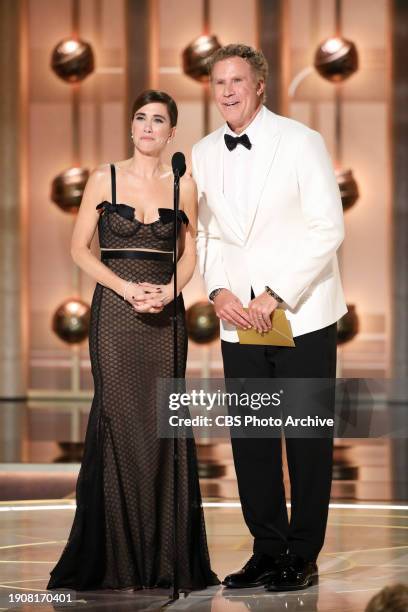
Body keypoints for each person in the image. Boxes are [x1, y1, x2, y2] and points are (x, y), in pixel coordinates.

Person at [47, 90, 219, 593]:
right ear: (131, 128)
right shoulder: (105, 177)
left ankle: (166, 558)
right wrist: (124, 289)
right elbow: (79, 249)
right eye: (140, 118)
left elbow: (190, 254)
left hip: (167, 317)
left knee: (162, 425)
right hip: (115, 316)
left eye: (158, 120)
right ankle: (117, 558)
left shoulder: (184, 183)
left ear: (171, 133)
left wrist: (171, 290)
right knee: (118, 422)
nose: (147, 126)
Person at [192, 44, 347, 592]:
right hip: (237, 315)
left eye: (237, 80)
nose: (227, 91)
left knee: (306, 438)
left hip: (301, 313)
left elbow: (328, 228)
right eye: (218, 82)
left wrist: (276, 293)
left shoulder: (303, 140)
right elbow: (203, 232)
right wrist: (217, 289)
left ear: (260, 85)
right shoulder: (204, 151)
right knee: (251, 438)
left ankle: (302, 553)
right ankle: (266, 548)